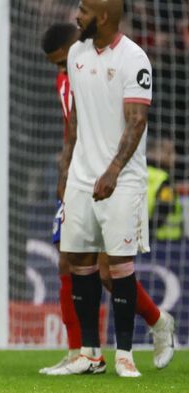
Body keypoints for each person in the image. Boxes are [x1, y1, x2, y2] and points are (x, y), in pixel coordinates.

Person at [39, 22, 174, 375]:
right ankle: (81, 353)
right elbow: (72, 131)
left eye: (61, 61)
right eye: (55, 65)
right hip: (81, 181)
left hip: (114, 181)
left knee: (107, 270)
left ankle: (158, 323)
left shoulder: (104, 69)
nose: (60, 68)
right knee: (68, 261)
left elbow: (129, 121)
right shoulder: (66, 78)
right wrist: (65, 174)